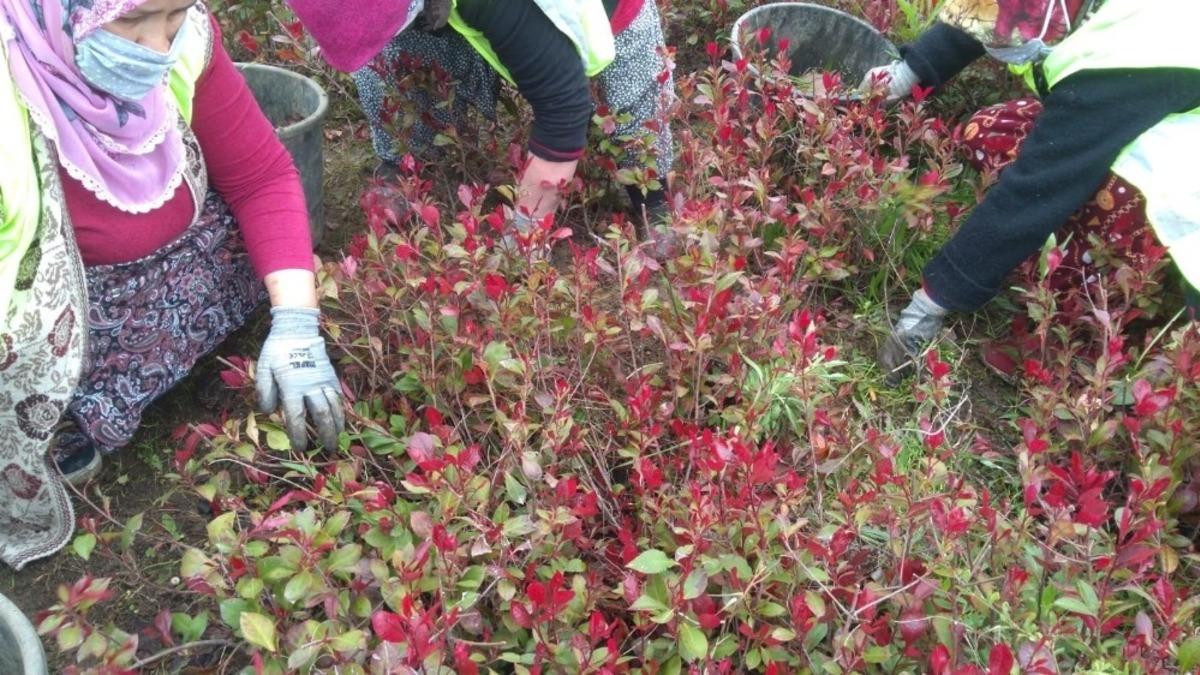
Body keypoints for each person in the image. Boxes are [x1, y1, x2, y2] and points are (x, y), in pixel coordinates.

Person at [0, 0, 345, 569]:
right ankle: (63, 420)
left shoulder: (188, 45)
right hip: (46, 315)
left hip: (174, 268)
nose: (160, 47)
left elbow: (261, 175)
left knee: (251, 245)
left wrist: (298, 323)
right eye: (130, 22)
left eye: (173, 15)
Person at [862, 0, 1200, 382]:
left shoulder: (1129, 57)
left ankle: (1074, 338)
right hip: (1121, 111)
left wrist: (930, 303)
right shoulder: (1063, 12)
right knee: (989, 134)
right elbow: (985, 15)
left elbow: (1036, 189)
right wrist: (906, 74)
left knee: (1100, 208)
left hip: (1180, 178)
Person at [286, 0, 675, 241]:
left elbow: (565, 108)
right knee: (394, 50)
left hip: (607, 11)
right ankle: (404, 161)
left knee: (635, 104)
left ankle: (654, 200)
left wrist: (524, 234)